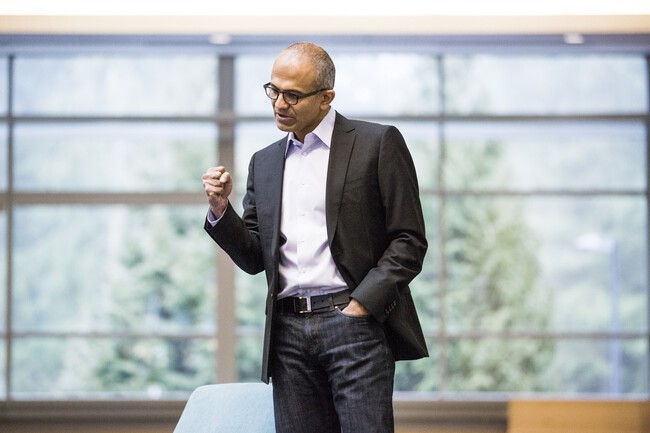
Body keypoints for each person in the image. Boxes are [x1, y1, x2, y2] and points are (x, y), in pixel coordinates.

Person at [202, 42, 428, 433]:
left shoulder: (377, 144)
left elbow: (409, 239)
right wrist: (222, 209)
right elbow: (255, 258)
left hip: (354, 325)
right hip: (287, 334)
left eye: (293, 95)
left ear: (326, 98)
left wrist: (363, 305)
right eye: (273, 91)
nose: (279, 104)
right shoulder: (264, 162)